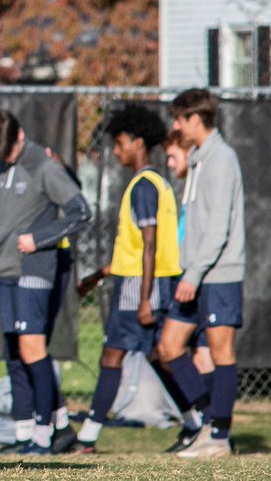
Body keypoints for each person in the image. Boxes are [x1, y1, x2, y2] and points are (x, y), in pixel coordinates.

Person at [0, 111, 90, 456]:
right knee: (14, 355)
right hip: (2, 270)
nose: (6, 159)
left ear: (20, 136)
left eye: (9, 153)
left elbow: (81, 212)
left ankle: (45, 437)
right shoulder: (2, 165)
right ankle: (27, 436)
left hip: (34, 267)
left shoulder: (44, 167)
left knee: (32, 349)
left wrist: (38, 238)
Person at [70, 104, 181, 453]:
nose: (116, 151)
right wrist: (99, 275)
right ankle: (198, 421)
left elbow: (149, 244)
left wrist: (145, 297)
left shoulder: (144, 185)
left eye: (119, 143)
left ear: (136, 141)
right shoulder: (153, 182)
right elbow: (135, 246)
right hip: (139, 280)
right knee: (155, 356)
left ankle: (87, 437)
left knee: (112, 356)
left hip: (138, 286)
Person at [157, 89, 246, 459]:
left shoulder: (222, 160)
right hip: (193, 272)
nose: (176, 126)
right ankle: (211, 418)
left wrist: (193, 273)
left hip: (218, 274)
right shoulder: (198, 160)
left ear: (196, 119)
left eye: (180, 119)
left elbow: (218, 230)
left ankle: (219, 437)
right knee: (168, 347)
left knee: (222, 353)